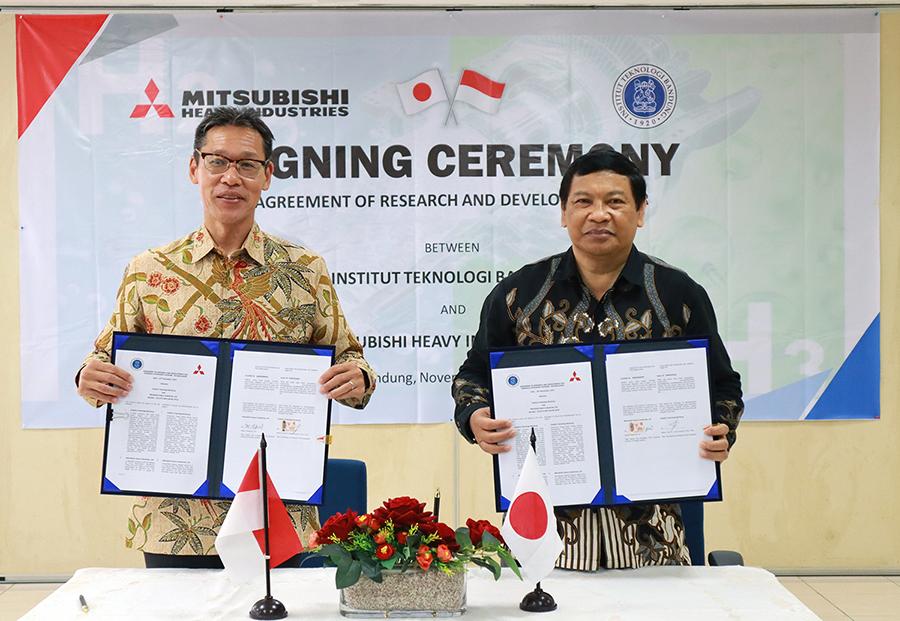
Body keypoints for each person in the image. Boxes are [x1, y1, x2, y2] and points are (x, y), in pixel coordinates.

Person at [76, 106, 375, 568]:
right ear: (194, 168)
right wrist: (90, 378)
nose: (230, 177)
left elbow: (351, 357)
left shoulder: (304, 270)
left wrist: (357, 377)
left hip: (275, 513)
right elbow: (101, 360)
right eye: (217, 161)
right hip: (177, 519)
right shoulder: (150, 270)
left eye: (246, 164)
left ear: (267, 175)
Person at [452, 148, 742, 569]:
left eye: (616, 201)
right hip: (547, 537)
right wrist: (476, 415)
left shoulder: (677, 294)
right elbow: (473, 375)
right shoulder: (520, 294)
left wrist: (722, 430)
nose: (599, 214)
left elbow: (723, 385)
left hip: (653, 539)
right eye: (583, 202)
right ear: (564, 213)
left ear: (640, 212)